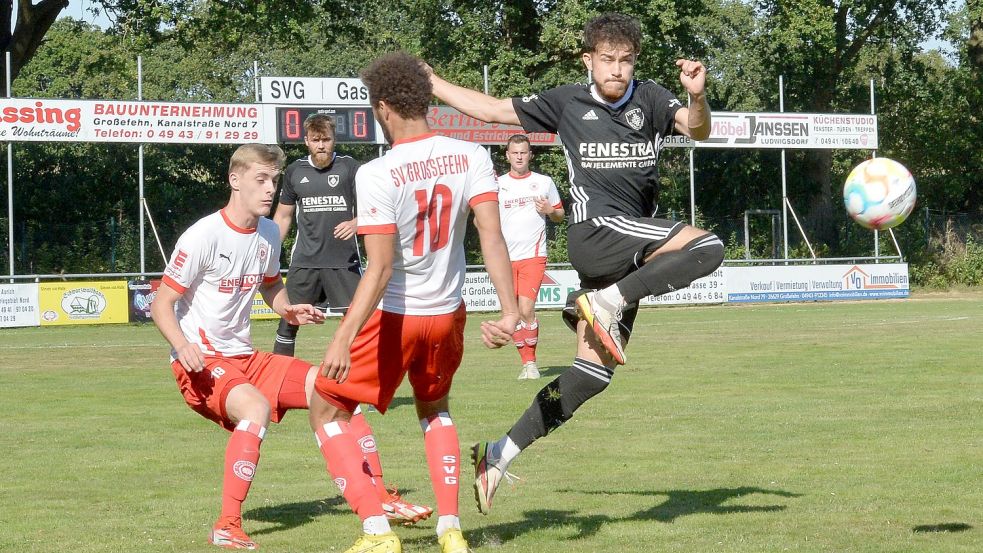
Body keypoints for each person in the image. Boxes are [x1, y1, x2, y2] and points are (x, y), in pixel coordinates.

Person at [428, 12, 725, 515]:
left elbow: (696, 129)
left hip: (627, 248)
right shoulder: (566, 101)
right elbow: (493, 111)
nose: (618, 70)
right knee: (708, 248)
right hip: (597, 233)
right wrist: (432, 81)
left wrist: (697, 95)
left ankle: (499, 454)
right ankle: (601, 300)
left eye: (626, 61)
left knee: (591, 376)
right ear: (589, 60)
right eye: (607, 60)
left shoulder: (652, 97)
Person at [150, 144, 427, 551]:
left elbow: (270, 285)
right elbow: (161, 304)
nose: (270, 190)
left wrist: (289, 308)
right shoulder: (203, 235)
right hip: (203, 359)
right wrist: (182, 344)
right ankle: (227, 524)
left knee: (337, 389)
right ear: (235, 180)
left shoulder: (266, 233)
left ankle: (379, 497)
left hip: (246, 356)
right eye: (261, 180)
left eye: (274, 181)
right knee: (256, 408)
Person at [307, 52, 519, 553]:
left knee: (325, 408)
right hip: (447, 314)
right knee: (435, 409)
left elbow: (378, 270)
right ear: (425, 99)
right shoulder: (472, 155)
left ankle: (378, 533)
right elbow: (492, 237)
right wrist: (511, 312)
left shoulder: (378, 173)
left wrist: (341, 337)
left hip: (396, 316)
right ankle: (451, 529)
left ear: (383, 108)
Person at [272, 114, 361, 356]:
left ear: (335, 140)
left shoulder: (350, 168)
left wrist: (357, 222)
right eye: (315, 140)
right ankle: (278, 383)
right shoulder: (294, 171)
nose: (321, 145)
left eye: (326, 139)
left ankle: (361, 389)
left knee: (359, 326)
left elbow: (376, 209)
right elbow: (283, 216)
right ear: (306, 141)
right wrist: (269, 251)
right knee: (288, 322)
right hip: (305, 261)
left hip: (344, 262)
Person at [497, 134, 565, 380]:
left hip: (533, 255)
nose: (519, 156)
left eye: (523, 152)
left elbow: (559, 214)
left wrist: (550, 211)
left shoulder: (543, 182)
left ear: (530, 155)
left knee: (526, 309)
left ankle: (532, 362)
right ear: (507, 156)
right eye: (514, 152)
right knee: (512, 312)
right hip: (503, 259)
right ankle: (526, 363)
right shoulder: (497, 184)